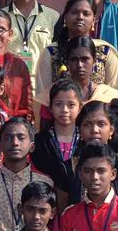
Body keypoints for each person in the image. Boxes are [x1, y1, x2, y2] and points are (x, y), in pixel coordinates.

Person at [32, 0, 118, 114]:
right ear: (65, 17)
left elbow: (113, 96)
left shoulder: (106, 51)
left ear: (94, 20)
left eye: (86, 14)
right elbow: (43, 98)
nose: (80, 17)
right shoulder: (51, 52)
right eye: (74, 12)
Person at [0, 117, 47, 231]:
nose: (15, 142)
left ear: (32, 146)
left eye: (21, 137)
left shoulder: (45, 182)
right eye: (8, 138)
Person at [29, 79, 83, 208]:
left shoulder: (85, 141)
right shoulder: (40, 141)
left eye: (71, 105)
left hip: (81, 206)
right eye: (59, 104)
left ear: (80, 107)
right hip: (46, 206)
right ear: (50, 108)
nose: (64, 110)